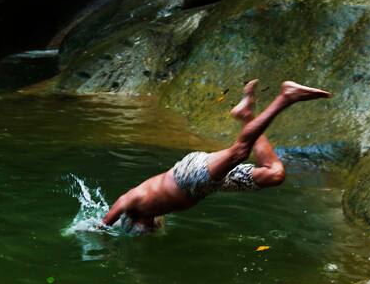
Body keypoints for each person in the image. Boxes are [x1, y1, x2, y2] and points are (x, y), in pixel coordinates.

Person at [102, 80, 332, 232]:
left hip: (189, 175)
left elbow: (108, 216)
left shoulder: (131, 200)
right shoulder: (149, 216)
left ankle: (286, 97)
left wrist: (100, 228)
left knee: (239, 151)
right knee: (274, 174)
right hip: (205, 186)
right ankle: (246, 115)